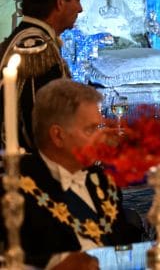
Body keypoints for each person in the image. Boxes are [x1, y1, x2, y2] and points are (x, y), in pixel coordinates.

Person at [0, 79, 143, 268]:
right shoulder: (13, 189)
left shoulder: (103, 180)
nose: (101, 137)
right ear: (58, 135)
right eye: (90, 129)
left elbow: (122, 245)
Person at [0, 0, 81, 151]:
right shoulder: (37, 49)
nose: (80, 8)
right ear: (60, 1)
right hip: (31, 170)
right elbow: (42, 128)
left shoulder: (26, 37)